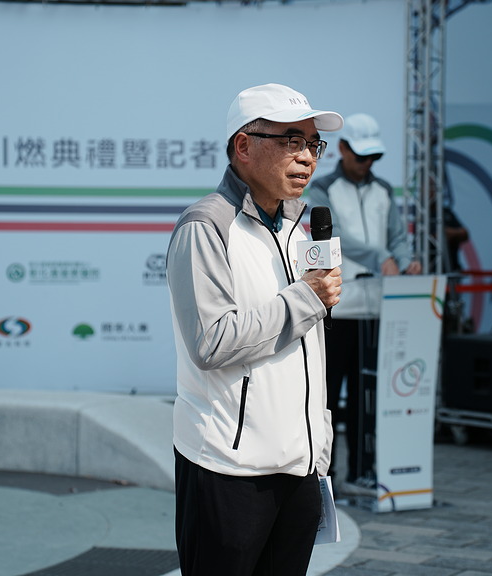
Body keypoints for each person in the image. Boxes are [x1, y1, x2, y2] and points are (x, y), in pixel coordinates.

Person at [166, 83, 343, 576]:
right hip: (229, 469)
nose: (307, 157)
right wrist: (307, 298)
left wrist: (319, 445)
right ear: (244, 146)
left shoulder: (298, 227)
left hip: (300, 467)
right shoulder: (206, 226)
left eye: (314, 144)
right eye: (292, 141)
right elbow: (212, 342)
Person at [305, 112, 420, 491]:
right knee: (325, 397)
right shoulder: (322, 189)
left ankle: (361, 473)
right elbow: (335, 238)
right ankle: (325, 477)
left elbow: (397, 237)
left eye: (373, 157)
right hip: (337, 308)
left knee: (365, 397)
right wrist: (380, 256)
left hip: (377, 310)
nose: (367, 163)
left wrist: (405, 260)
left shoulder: (384, 190)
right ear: (342, 148)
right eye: (361, 155)